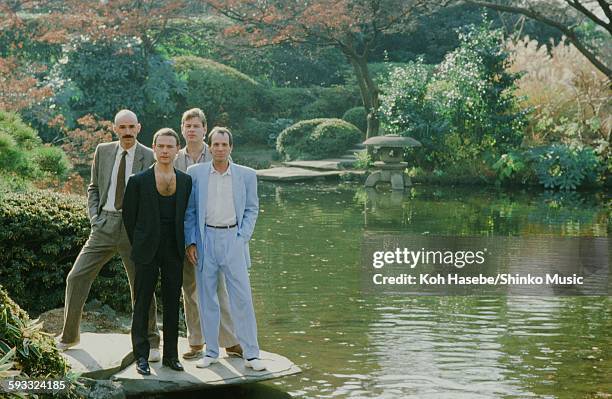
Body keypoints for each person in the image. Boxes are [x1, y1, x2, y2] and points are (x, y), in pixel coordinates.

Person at [58, 110, 161, 362]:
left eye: (131, 127)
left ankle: (151, 340)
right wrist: (95, 218)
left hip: (133, 228)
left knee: (141, 284)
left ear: (139, 127)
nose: (127, 131)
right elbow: (93, 187)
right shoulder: (103, 151)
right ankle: (69, 336)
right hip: (104, 224)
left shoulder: (150, 156)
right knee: (76, 276)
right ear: (115, 129)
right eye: (122, 127)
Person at [185, 127, 266, 371]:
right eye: (216, 144)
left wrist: (242, 238)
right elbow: (190, 211)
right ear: (209, 147)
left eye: (224, 144)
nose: (220, 148)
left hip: (234, 238)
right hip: (205, 238)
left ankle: (251, 354)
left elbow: (252, 208)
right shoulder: (195, 173)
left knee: (242, 298)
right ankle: (211, 351)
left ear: (231, 147)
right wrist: (191, 241)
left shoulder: (247, 175)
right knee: (206, 297)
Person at [123, 128, 192, 375]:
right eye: (160, 146)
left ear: (176, 149)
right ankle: (141, 356)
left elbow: (186, 216)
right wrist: (141, 243)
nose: (165, 151)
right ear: (154, 148)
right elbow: (129, 219)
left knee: (173, 304)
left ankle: (171, 356)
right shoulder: (138, 181)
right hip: (146, 250)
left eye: (169, 147)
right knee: (141, 304)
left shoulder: (185, 180)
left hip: (173, 249)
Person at [175, 108, 242, 360]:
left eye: (196, 125)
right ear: (182, 129)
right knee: (190, 289)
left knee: (218, 287)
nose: (191, 129)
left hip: (213, 231)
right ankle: (196, 341)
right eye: (187, 125)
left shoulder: (216, 154)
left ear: (205, 129)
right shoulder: (174, 158)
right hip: (182, 233)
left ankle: (230, 341)